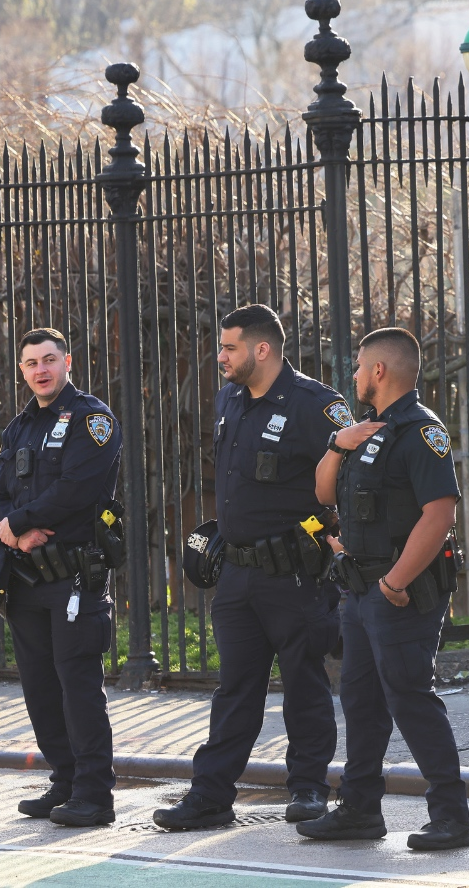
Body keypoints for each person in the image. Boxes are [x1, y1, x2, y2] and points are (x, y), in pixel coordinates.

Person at [153, 304, 347, 830]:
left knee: (305, 686)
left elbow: (350, 486)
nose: (221, 357)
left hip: (296, 574)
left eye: (229, 347)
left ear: (262, 349)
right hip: (237, 575)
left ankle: (308, 790)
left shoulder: (316, 405)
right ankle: (211, 797)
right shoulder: (229, 399)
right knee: (234, 690)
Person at [300, 327, 469, 851]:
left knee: (410, 697)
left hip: (400, 590)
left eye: (357, 367)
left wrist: (396, 581)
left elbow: (440, 513)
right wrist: (336, 442)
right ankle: (359, 809)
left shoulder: (421, 431)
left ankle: (450, 817)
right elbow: (323, 491)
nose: (352, 376)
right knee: (361, 700)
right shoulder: (364, 430)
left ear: (379, 371)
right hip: (360, 588)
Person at [0, 327, 122, 827]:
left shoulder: (93, 419)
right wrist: (14, 533)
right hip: (26, 579)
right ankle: (64, 782)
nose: (40, 370)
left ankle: (94, 794)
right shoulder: (19, 426)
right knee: (41, 688)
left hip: (74, 579)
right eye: (30, 363)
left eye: (48, 360)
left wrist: (18, 523)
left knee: (77, 686)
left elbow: (78, 491)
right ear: (22, 371)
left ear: (68, 362)